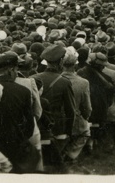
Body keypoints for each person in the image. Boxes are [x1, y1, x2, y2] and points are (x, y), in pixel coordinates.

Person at [32, 44, 78, 172]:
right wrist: (69, 132)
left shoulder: (33, 78)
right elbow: (70, 110)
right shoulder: (64, 82)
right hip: (55, 127)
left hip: (36, 125)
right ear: (62, 61)